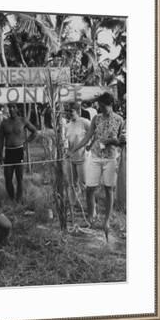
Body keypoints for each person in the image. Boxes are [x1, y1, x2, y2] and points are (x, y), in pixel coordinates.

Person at [68, 92, 125, 240]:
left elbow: (122, 142)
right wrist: (73, 150)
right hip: (95, 157)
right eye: (99, 106)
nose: (101, 109)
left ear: (110, 104)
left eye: (103, 106)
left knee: (108, 189)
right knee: (89, 188)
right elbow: (87, 138)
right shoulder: (96, 118)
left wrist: (113, 141)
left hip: (111, 158)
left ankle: (106, 221)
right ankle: (91, 217)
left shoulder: (119, 120)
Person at [0, 104, 38, 202]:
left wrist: (26, 143)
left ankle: (19, 200)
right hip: (8, 152)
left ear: (17, 109)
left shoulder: (22, 120)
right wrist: (0, 155)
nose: (11, 109)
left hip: (19, 151)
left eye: (13, 107)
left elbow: (34, 132)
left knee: (19, 177)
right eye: (9, 107)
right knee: (8, 178)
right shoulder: (4, 123)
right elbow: (1, 140)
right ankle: (12, 199)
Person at [64, 102, 91, 191]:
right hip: (70, 159)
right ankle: (73, 204)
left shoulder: (85, 122)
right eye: (67, 111)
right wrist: (66, 149)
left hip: (82, 158)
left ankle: (88, 204)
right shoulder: (67, 125)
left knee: (83, 184)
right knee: (72, 184)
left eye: (71, 111)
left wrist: (89, 146)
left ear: (78, 111)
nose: (69, 113)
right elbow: (66, 141)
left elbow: (94, 133)